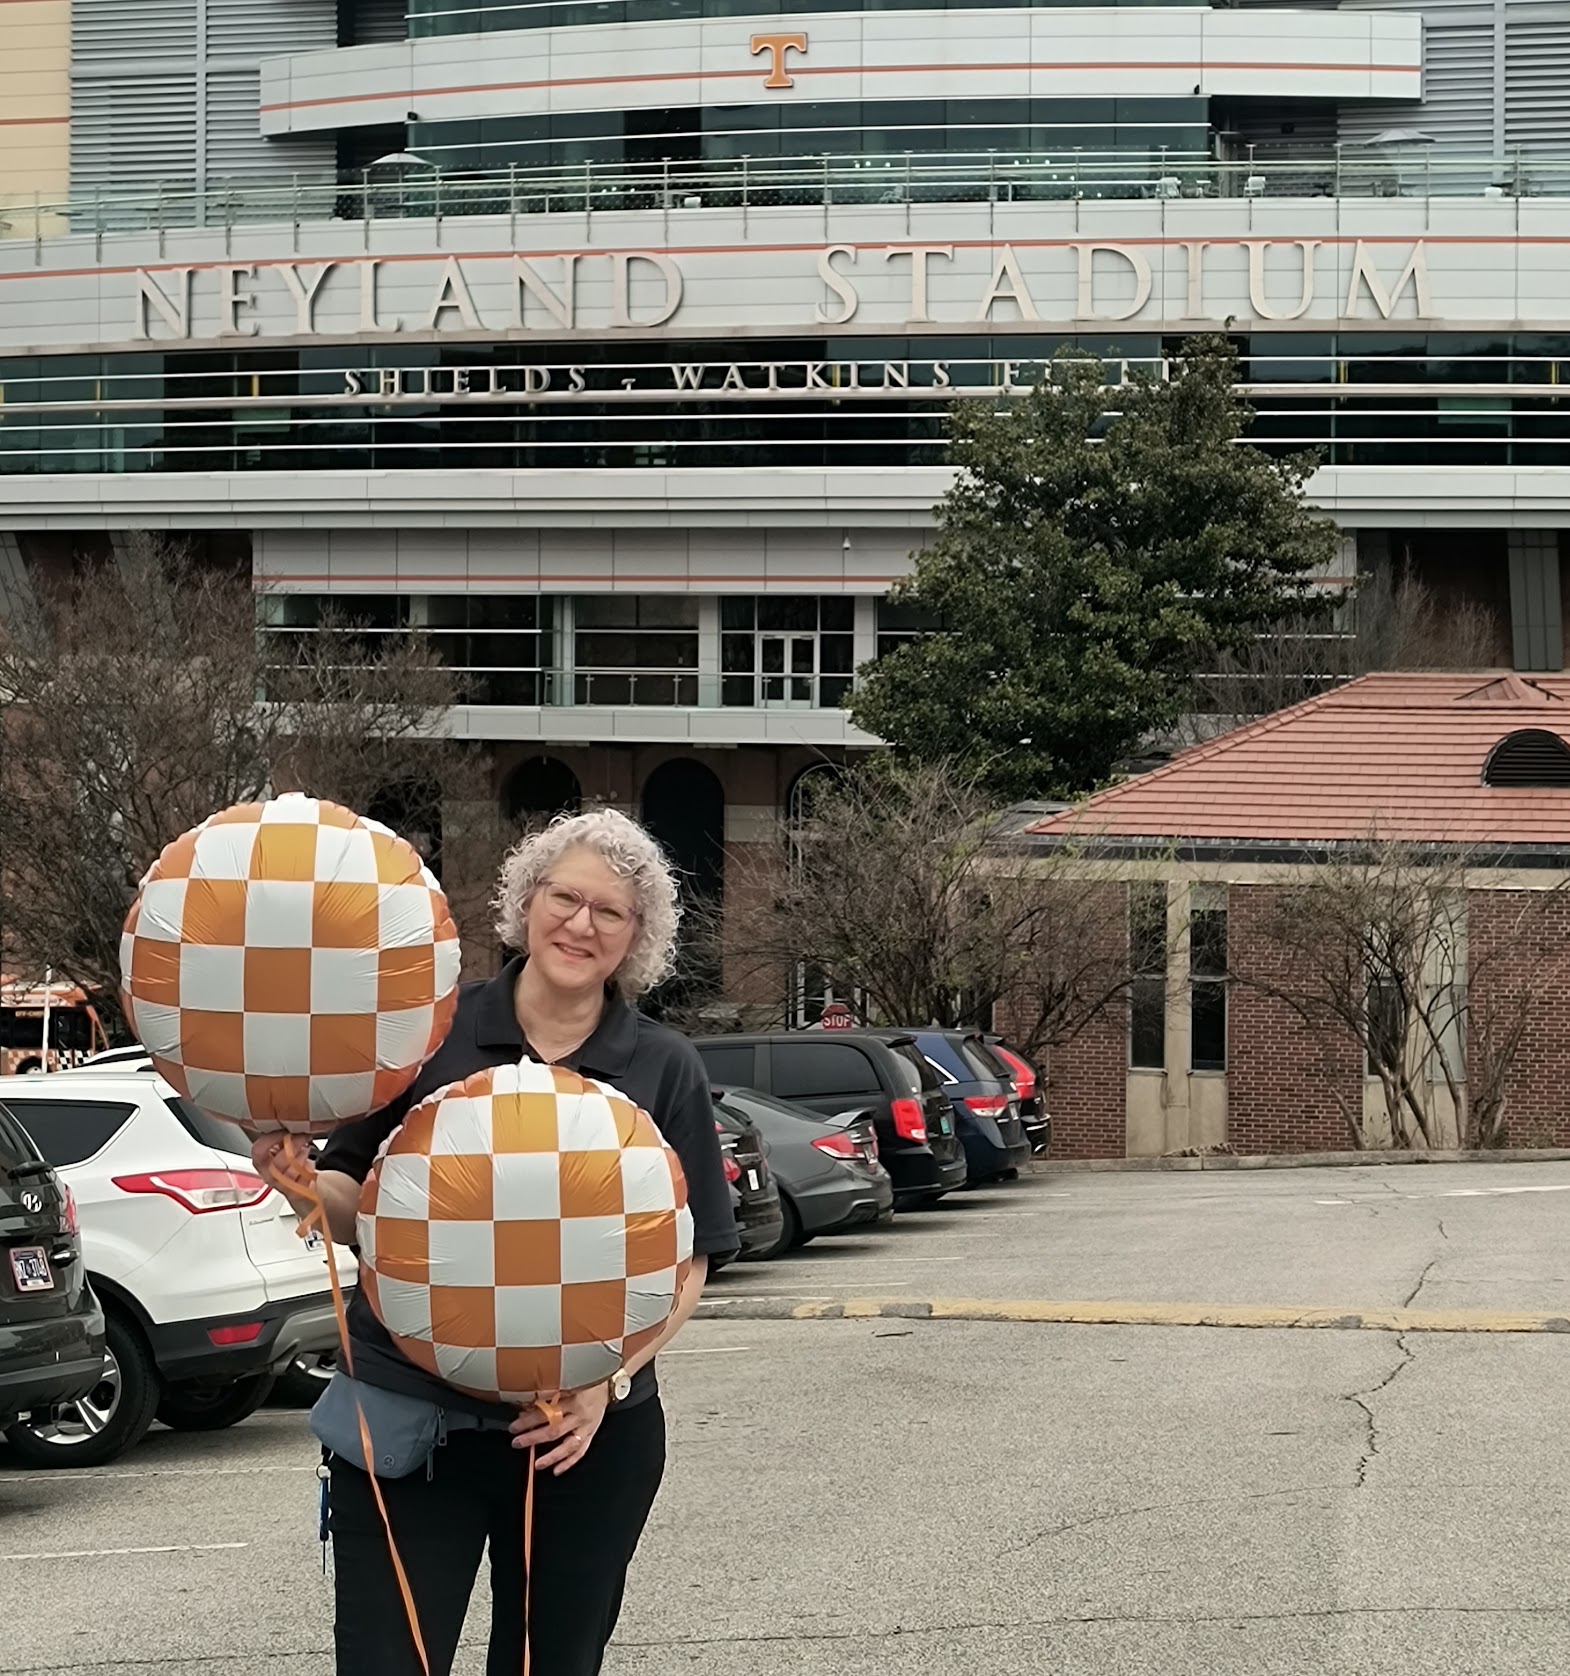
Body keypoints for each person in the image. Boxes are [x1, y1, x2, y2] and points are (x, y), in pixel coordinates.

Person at [254, 808, 738, 1676]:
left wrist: (609, 1381)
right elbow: (352, 1207)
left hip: (579, 1436)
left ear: (637, 937)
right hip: (409, 1426)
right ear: (526, 900)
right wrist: (297, 1177)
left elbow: (689, 1257)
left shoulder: (664, 1065)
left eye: (610, 913)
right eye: (564, 897)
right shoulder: (424, 1036)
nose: (580, 925)